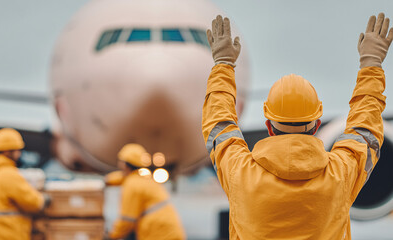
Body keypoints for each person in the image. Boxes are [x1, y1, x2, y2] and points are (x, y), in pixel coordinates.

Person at [202, 14, 393, 239]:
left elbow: (218, 122)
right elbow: (365, 128)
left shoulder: (239, 171)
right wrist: (371, 63)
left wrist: (223, 65)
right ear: (317, 125)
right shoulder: (340, 173)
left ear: (269, 126)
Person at [0, 128, 50, 240]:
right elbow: (32, 201)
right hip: (6, 235)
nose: (20, 153)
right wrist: (44, 200)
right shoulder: (8, 174)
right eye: (18, 150)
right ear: (8, 151)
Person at [108, 143, 186, 240]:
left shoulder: (132, 185)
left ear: (124, 164)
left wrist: (112, 235)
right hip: (168, 231)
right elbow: (120, 177)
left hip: (159, 234)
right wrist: (106, 181)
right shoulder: (141, 178)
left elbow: (127, 220)